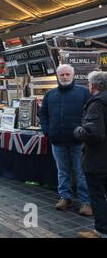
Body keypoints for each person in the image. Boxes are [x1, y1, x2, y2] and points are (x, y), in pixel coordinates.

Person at [39, 64, 92, 216]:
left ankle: (85, 202)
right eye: (62, 74)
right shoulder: (50, 94)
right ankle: (65, 197)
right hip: (57, 141)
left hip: (79, 142)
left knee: (81, 172)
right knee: (63, 172)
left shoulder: (84, 93)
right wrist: (47, 131)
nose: (65, 77)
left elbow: (92, 114)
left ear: (73, 75)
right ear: (57, 76)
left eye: (67, 74)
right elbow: (43, 114)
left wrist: (85, 132)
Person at [74, 71, 107, 238]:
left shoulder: (96, 104)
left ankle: (101, 231)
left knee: (98, 197)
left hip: (97, 160)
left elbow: (92, 134)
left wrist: (78, 131)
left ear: (93, 85)